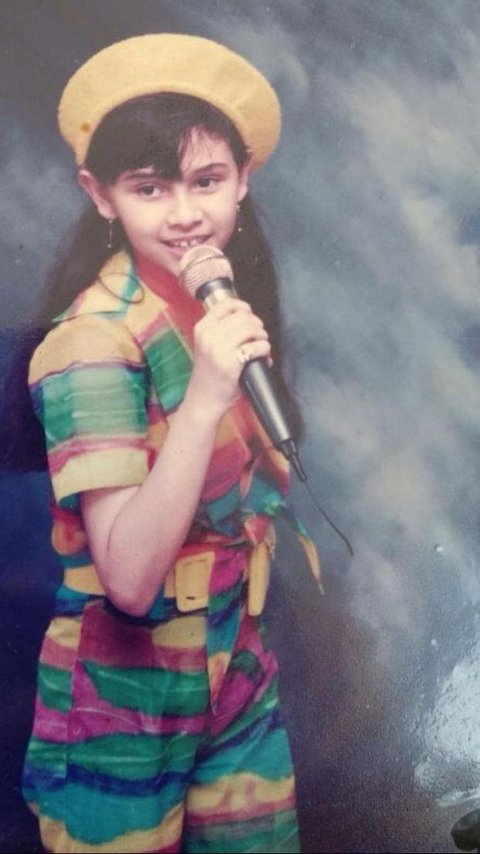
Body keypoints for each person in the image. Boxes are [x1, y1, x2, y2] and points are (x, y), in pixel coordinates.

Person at [16, 33, 320, 854]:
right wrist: (206, 399)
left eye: (208, 181)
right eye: (150, 188)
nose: (186, 214)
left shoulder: (221, 303)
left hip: (233, 663)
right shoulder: (91, 344)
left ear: (243, 178)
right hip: (122, 691)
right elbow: (128, 577)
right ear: (102, 195)